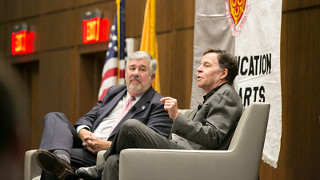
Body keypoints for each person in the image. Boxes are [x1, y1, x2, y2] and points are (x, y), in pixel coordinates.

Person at [76, 48, 244, 180]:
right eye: (200, 64)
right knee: (114, 162)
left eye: (207, 66)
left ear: (223, 73)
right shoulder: (214, 96)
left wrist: (177, 117)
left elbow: (213, 137)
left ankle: (99, 168)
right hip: (180, 151)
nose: (199, 69)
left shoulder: (226, 95)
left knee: (130, 126)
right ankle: (103, 167)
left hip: (191, 158)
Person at [35, 51, 173, 180]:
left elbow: (150, 145)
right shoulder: (114, 92)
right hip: (86, 144)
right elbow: (88, 118)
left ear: (152, 77)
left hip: (106, 155)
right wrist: (84, 132)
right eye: (132, 68)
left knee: (51, 163)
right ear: (126, 73)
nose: (135, 73)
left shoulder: (158, 104)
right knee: (54, 117)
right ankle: (62, 159)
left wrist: (107, 145)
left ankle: (59, 161)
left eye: (142, 69)